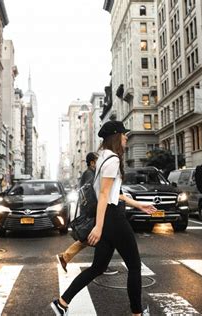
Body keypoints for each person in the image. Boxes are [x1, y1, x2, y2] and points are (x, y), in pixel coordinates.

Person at [51, 121, 155, 316]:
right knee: (134, 266)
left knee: (97, 267)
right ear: (116, 136)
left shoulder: (102, 159)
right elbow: (105, 196)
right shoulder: (113, 160)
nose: (126, 137)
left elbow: (113, 193)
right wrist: (98, 227)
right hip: (113, 218)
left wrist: (139, 205)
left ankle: (62, 302)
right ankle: (137, 313)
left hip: (108, 217)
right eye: (124, 134)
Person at [57, 152, 117, 275]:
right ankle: (100, 266)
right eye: (98, 160)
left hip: (92, 212)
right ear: (92, 163)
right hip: (94, 212)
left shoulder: (89, 174)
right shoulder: (90, 174)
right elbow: (92, 195)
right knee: (103, 239)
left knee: (91, 239)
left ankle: (66, 257)